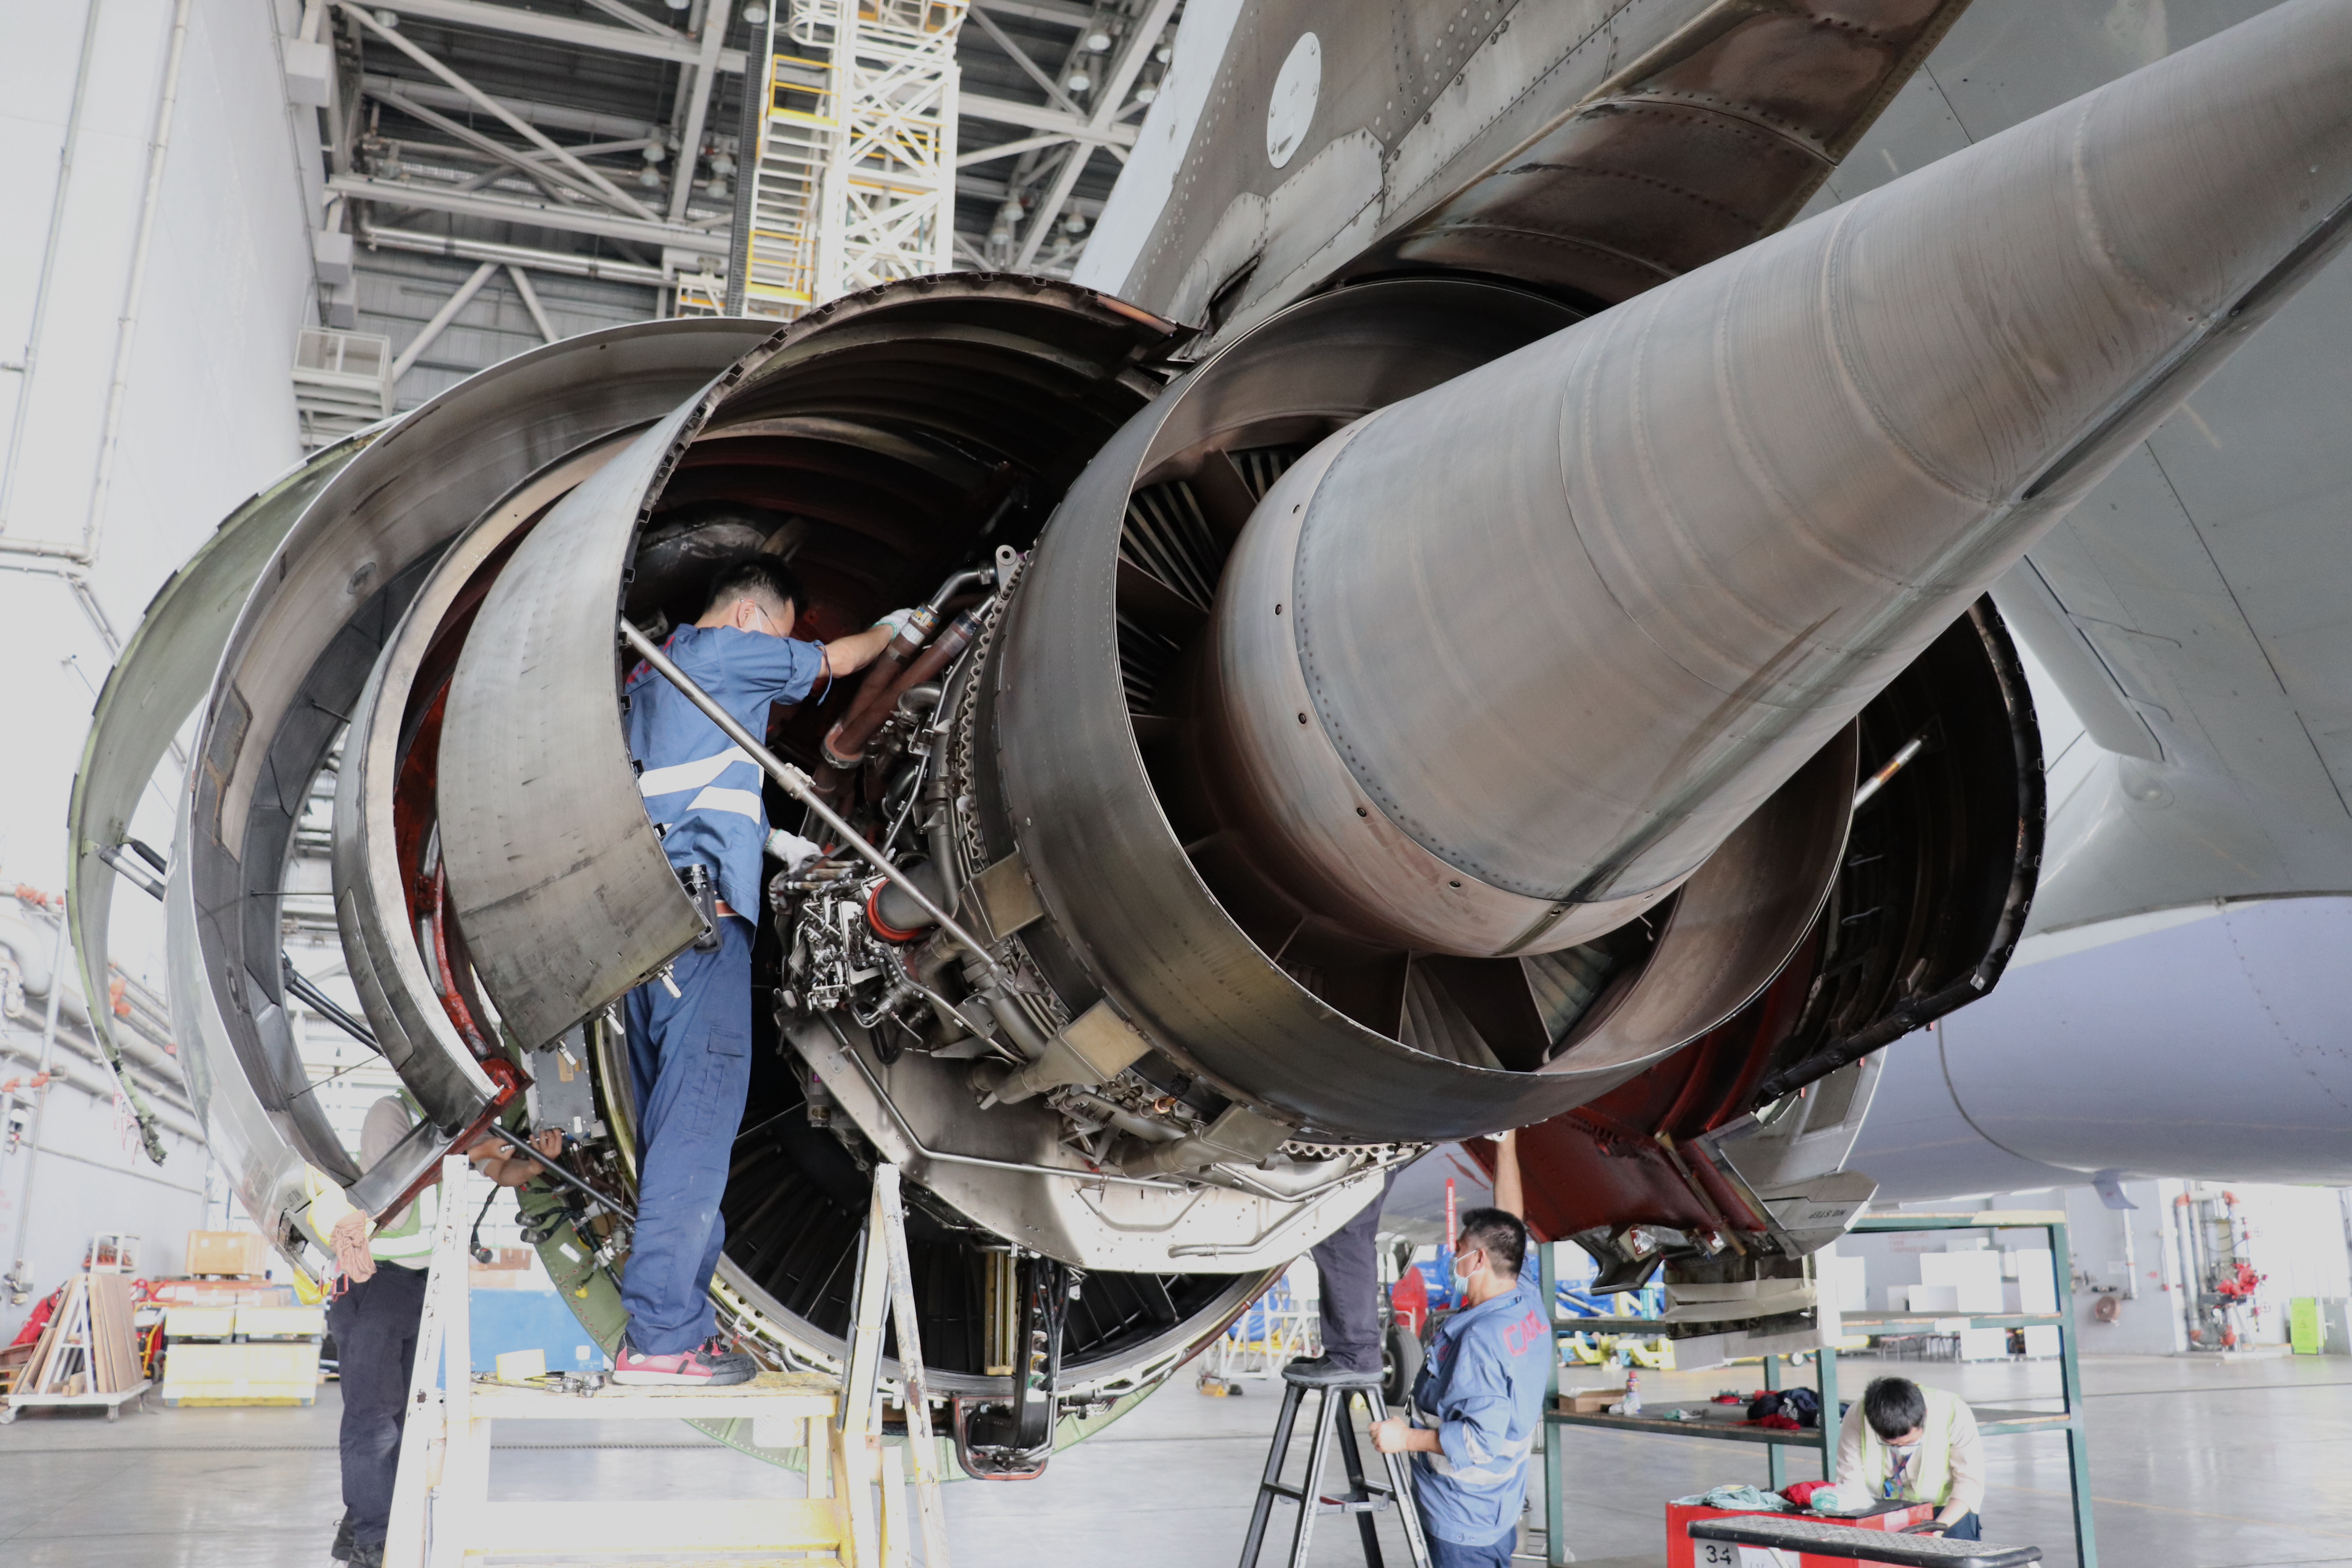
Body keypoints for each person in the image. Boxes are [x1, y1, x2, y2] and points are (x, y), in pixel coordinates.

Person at [614, 554, 907, 1385]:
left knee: (672, 1133)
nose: (778, 657)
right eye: (779, 634)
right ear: (751, 617)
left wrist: (773, 839)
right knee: (700, 1127)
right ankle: (665, 1336)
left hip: (641, 930)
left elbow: (687, 789)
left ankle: (674, 1321)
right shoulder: (717, 651)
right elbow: (843, 659)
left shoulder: (647, 678)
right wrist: (907, 625)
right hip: (703, 925)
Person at [317, 1096, 563, 1567]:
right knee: (374, 1422)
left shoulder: (460, 1129)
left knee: (402, 1419)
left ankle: (363, 1521)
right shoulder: (390, 1115)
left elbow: (503, 1173)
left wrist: (535, 1162)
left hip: (416, 1289)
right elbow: (394, 1189)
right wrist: (476, 1150)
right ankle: (372, 1543)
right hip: (375, 1283)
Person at [1371, 1130, 1547, 1568]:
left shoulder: (1482, 1340)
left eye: (1462, 1252)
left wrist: (1403, 1438)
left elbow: (1479, 1440)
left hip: (1463, 1512)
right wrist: (1505, 1144)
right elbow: (1512, 1222)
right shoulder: (1523, 1295)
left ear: (1482, 1261)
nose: (1455, 1257)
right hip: (1498, 1504)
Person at [1286, 1169, 1401, 1385]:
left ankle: (1354, 1356)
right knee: (1348, 1232)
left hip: (1366, 1145)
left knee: (1342, 1230)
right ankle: (1350, 1353)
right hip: (1376, 1148)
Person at [1834, 1375, 1986, 1539]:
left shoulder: (1955, 1413)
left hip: (1948, 1511)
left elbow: (1969, 1485)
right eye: (1892, 1445)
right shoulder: (1858, 1416)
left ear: (1925, 1415)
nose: (1901, 1449)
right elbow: (1850, 1481)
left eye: (1910, 1442)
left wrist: (1936, 1529)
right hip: (1882, 1510)